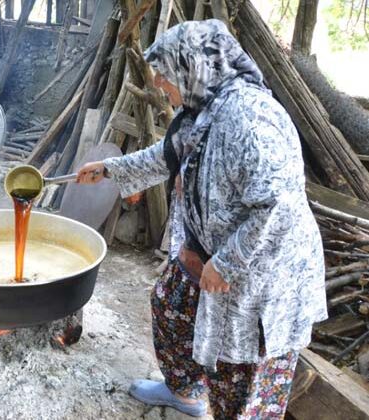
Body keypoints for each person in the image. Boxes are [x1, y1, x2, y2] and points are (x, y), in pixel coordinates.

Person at [77, 20, 326, 419]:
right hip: (207, 251)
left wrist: (227, 262)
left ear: (194, 68)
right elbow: (166, 155)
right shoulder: (205, 111)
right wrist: (108, 169)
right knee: (170, 306)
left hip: (260, 272)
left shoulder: (249, 118)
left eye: (164, 73)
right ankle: (184, 392)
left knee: (241, 378)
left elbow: (280, 205)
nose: (158, 83)